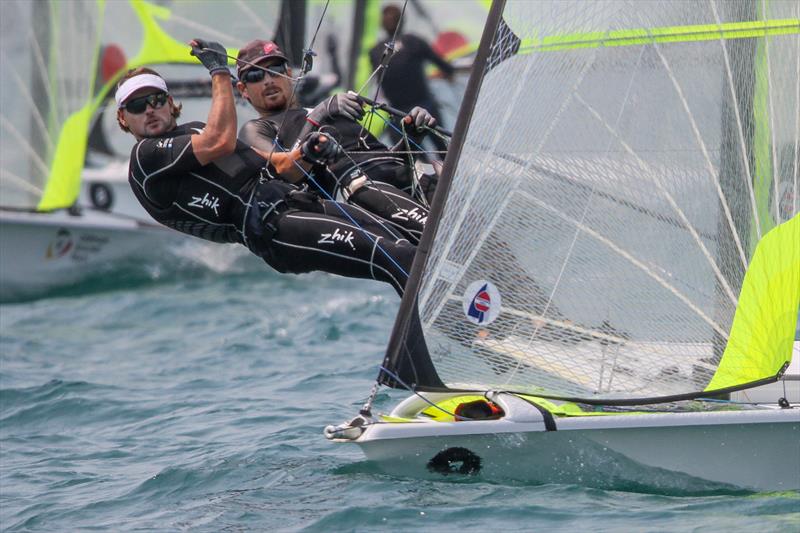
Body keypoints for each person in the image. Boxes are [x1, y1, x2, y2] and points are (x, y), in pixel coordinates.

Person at [120, 39, 415, 295]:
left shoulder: (195, 131)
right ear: (123, 119)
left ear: (170, 104)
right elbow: (220, 140)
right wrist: (219, 72)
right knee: (396, 256)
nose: (149, 109)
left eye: (156, 100)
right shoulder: (145, 158)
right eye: (136, 106)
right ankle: (428, 351)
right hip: (274, 229)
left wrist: (310, 151)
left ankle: (450, 326)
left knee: (407, 245)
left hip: (296, 203)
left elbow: (284, 168)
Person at [236, 40, 439, 244]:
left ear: (288, 73)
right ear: (243, 89)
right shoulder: (256, 128)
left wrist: (411, 137)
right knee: (438, 236)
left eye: (274, 70)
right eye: (255, 76)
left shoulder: (331, 109)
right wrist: (320, 113)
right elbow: (286, 170)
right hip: (362, 189)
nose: (268, 80)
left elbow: (384, 159)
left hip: (407, 176)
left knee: (467, 226)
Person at [369, 4, 454, 157]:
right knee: (443, 152)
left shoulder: (375, 51)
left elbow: (383, 79)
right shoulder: (414, 41)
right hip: (422, 107)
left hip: (397, 112)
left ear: (382, 24)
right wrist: (443, 74)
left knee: (414, 159)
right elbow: (446, 68)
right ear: (402, 22)